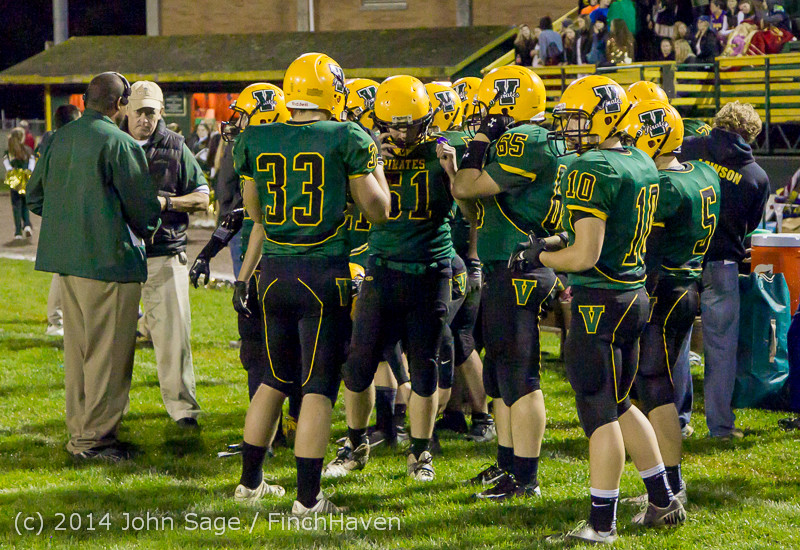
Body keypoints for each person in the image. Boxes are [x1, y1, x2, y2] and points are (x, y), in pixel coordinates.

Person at [526, 75, 685, 543]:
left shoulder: (591, 166)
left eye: (578, 118)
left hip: (600, 299)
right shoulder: (637, 158)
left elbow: (584, 254)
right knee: (619, 403)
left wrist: (538, 258)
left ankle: (601, 526)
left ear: (607, 117)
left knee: (598, 412)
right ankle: (662, 499)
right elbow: (603, 229)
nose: (569, 127)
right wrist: (555, 242)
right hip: (633, 294)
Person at [232, 52, 390, 515]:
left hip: (272, 273)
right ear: (332, 92)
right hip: (322, 275)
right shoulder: (347, 136)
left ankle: (249, 484)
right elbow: (379, 210)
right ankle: (307, 499)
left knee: (273, 379)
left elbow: (255, 212)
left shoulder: (256, 136)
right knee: (318, 387)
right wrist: (374, 166)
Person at [324, 75, 454, 483]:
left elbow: (469, 211)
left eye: (408, 126)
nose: (400, 134)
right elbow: (348, 205)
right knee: (358, 363)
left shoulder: (444, 149)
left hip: (430, 270)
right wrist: (367, 166)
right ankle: (356, 444)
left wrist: (454, 174)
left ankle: (420, 452)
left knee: (424, 365)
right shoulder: (369, 150)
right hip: (382, 269)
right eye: (392, 126)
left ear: (426, 119)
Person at [26, 72, 161, 462]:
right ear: (119, 104)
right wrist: (144, 226)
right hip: (109, 262)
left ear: (85, 101)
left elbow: (35, 196)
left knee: (80, 354)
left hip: (68, 263)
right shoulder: (120, 142)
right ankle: (95, 441)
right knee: (108, 358)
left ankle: (81, 432)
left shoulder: (59, 138)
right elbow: (144, 210)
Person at [452, 66, 571, 500]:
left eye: (489, 107)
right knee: (501, 376)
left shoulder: (526, 139)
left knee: (520, 376)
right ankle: (507, 464)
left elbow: (467, 185)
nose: (482, 116)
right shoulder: (528, 139)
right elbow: (473, 205)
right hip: (506, 263)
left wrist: (479, 144)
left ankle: (526, 476)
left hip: (520, 266)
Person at [619, 99, 720, 506]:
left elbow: (648, 248)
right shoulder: (702, 171)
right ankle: (664, 481)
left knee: (655, 385)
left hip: (664, 289)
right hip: (688, 284)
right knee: (656, 383)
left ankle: (671, 485)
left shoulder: (665, 188)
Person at [679, 101, 770, 439]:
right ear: (752, 134)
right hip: (723, 264)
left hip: (681, 260)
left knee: (676, 343)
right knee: (721, 350)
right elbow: (751, 225)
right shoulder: (756, 177)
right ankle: (720, 426)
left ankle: (676, 421)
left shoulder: (686, 148)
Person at [121, 80, 209, 428]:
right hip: (119, 257)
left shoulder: (175, 145)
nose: (145, 119)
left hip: (164, 254)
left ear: (160, 111)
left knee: (174, 340)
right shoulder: (112, 142)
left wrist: (166, 203)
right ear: (127, 110)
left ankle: (183, 411)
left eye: (151, 112)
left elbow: (202, 197)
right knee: (111, 344)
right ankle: (110, 413)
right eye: (139, 112)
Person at [36, 104, 82, 337]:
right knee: (64, 270)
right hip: (69, 213)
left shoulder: (50, 141)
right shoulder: (66, 143)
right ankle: (56, 320)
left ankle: (60, 318)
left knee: (68, 268)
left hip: (59, 213)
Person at [3, 128, 34, 240]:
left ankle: (18, 232)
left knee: (16, 206)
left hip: (14, 181)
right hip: (26, 180)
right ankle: (27, 225)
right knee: (25, 204)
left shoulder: (8, 152)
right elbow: (31, 167)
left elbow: (8, 167)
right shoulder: (28, 150)